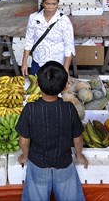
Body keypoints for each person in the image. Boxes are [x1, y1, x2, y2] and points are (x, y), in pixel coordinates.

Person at [15, 61, 88, 201]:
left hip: (38, 165)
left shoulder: (30, 109)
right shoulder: (69, 109)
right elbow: (78, 138)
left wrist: (25, 156)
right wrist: (79, 156)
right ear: (65, 86)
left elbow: (24, 140)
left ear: (36, 83)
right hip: (64, 165)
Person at [21, 0, 75, 75]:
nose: (50, 7)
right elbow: (28, 41)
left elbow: (69, 47)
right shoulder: (34, 18)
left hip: (57, 63)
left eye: (54, 4)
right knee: (36, 86)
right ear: (42, 3)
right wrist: (24, 62)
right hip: (38, 62)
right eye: (47, 3)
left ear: (58, 4)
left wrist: (66, 69)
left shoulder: (64, 21)